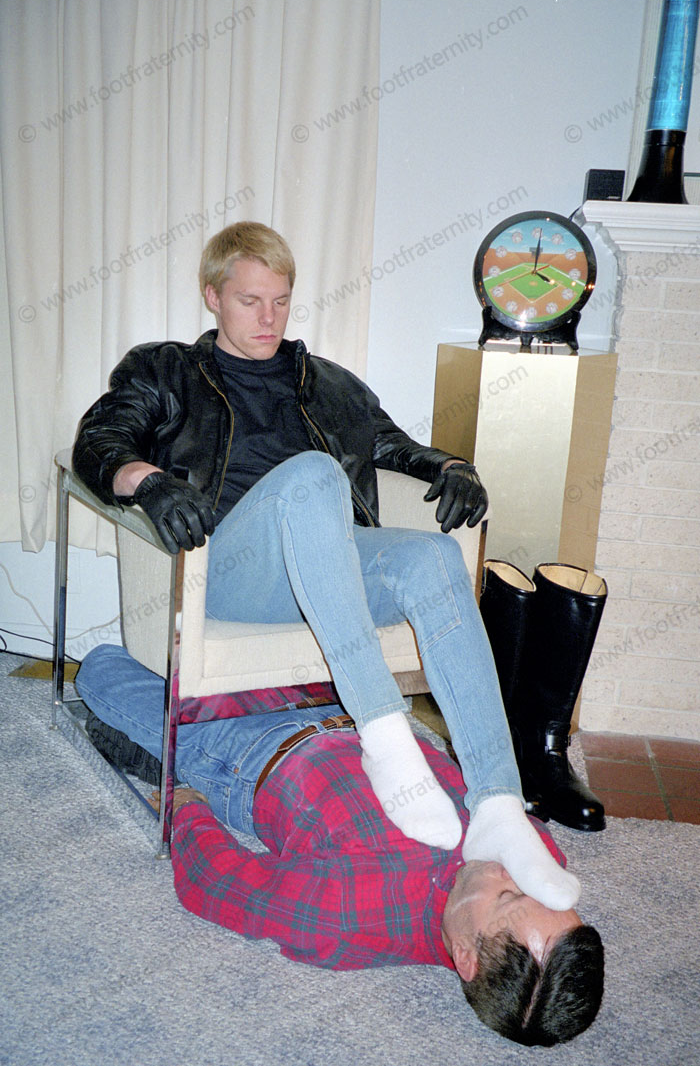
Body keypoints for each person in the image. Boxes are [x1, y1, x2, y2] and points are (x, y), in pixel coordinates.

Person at [72, 220, 579, 911]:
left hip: (326, 570)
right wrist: (147, 480)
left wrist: (452, 465)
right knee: (313, 475)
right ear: (212, 295)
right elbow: (98, 442)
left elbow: (398, 447)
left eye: (281, 300)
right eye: (250, 300)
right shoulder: (166, 371)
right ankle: (384, 734)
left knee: (433, 556)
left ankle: (497, 804)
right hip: (230, 570)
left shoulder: (332, 385)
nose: (269, 317)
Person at [75, 644, 604, 1048]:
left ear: (466, 956)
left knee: (101, 670)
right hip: (365, 707)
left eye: (509, 895)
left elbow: (219, 884)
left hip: (247, 744)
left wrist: (187, 806)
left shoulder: (344, 918)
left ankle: (168, 761)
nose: (521, 867)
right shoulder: (539, 862)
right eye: (545, 885)